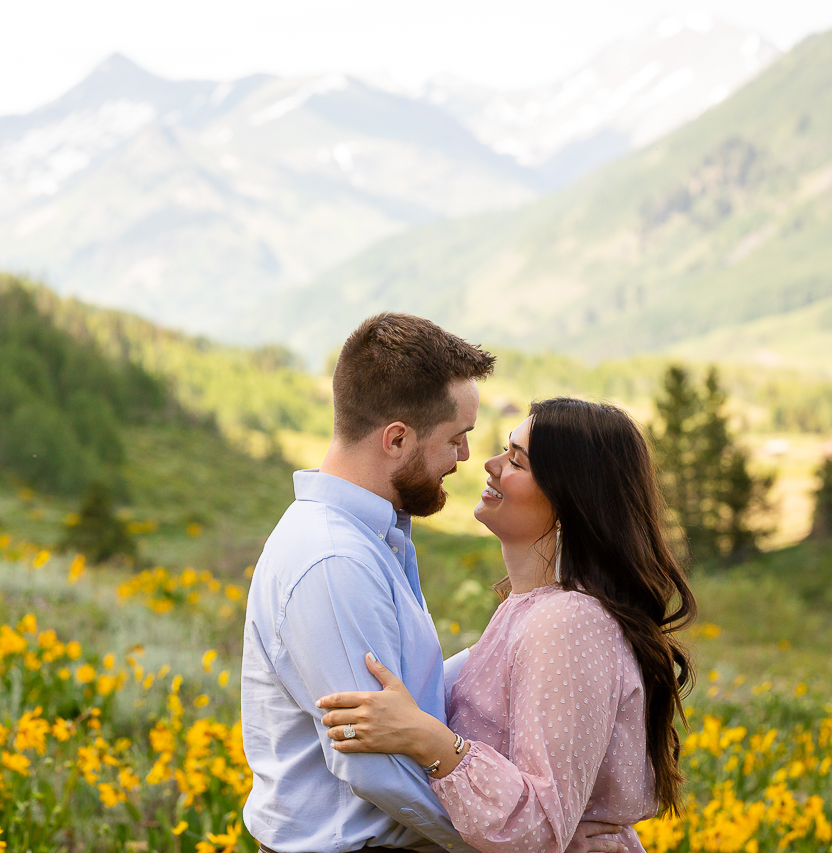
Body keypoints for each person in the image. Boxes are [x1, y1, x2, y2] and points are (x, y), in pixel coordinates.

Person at [241, 316, 631, 853]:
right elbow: (377, 768)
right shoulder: (335, 561)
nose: (470, 459)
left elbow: (411, 696)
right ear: (397, 439)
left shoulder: (377, 542)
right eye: (457, 438)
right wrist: (527, 843)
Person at [316, 398, 696, 853]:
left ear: (571, 499)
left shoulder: (569, 621)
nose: (490, 465)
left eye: (517, 460)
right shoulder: (529, 610)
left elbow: (537, 826)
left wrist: (428, 739)